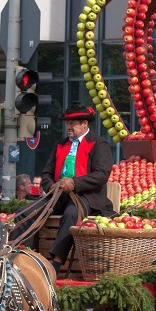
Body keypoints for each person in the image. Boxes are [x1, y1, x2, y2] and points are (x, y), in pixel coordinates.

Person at [38, 103, 114, 272]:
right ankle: (19, 254)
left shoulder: (99, 144)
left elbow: (102, 174)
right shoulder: (60, 144)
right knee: (31, 210)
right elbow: (46, 173)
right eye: (67, 123)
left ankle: (56, 262)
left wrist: (74, 183)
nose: (68, 127)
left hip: (87, 197)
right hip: (58, 195)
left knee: (72, 214)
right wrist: (52, 186)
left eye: (72, 123)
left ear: (85, 124)